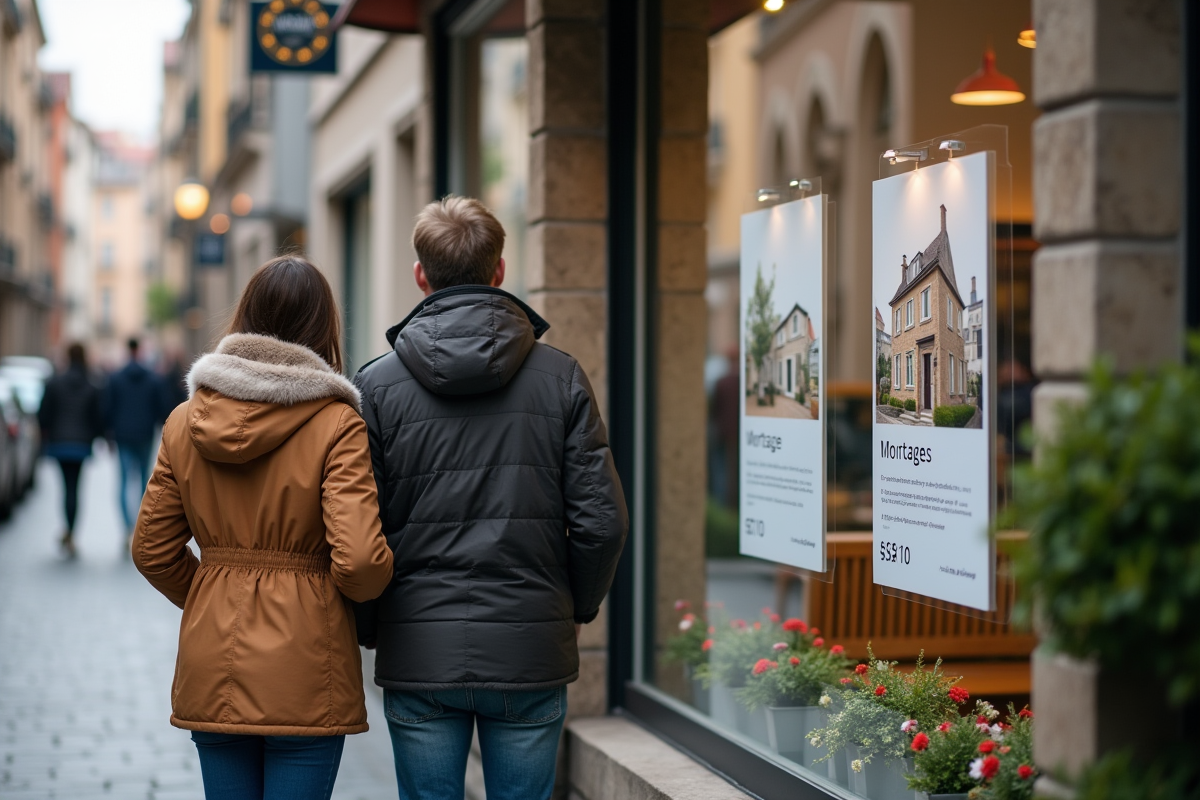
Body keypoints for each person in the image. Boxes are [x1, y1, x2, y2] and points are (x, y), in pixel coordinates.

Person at [353, 196, 629, 800]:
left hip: (418, 648)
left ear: (421, 275)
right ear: (499, 269)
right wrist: (574, 608)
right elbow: (602, 523)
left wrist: (374, 625)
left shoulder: (374, 386)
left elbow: (356, 529)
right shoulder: (561, 377)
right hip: (529, 645)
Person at [131, 256, 394, 800]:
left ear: (244, 318)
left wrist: (213, 591)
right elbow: (361, 563)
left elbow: (152, 549)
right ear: (323, 327)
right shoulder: (337, 423)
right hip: (306, 667)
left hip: (212, 662)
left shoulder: (185, 421)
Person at [38, 343, 104, 558]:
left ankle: (68, 531)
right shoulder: (91, 385)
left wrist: (47, 434)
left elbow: (43, 414)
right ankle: (71, 532)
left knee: (66, 488)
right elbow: (98, 417)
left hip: (60, 442)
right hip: (81, 444)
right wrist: (94, 436)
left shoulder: (54, 382)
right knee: (75, 488)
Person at [104, 337, 166, 546]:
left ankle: (127, 527)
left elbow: (108, 408)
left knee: (123, 481)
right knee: (143, 480)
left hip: (122, 435)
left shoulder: (115, 378)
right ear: (139, 351)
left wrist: (108, 434)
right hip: (145, 434)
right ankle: (140, 526)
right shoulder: (152, 378)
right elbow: (162, 408)